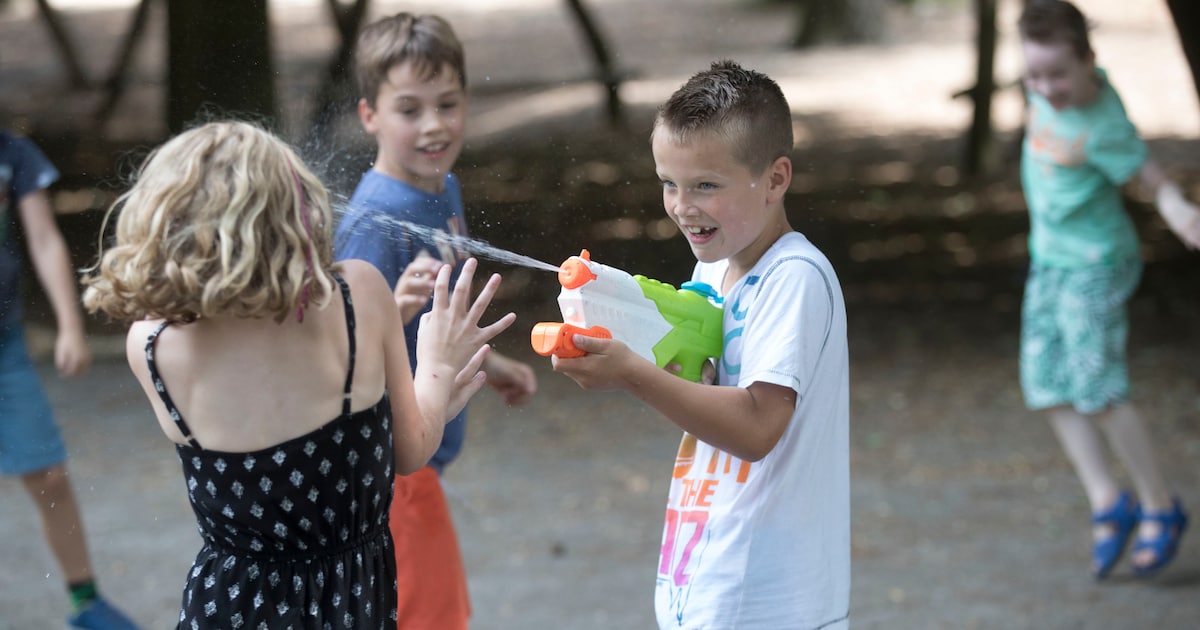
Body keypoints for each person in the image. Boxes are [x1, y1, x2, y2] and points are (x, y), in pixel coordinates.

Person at [80, 121, 515, 628]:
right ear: (296, 213)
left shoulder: (151, 347)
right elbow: (410, 450)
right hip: (348, 603)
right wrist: (438, 366)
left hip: (229, 606)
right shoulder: (357, 298)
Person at [551, 60, 850, 629]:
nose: (682, 206)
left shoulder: (794, 277)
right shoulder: (712, 272)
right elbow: (707, 393)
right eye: (669, 183)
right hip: (709, 576)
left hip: (767, 599)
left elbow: (759, 427)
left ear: (776, 178)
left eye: (705, 186)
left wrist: (633, 374)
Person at [334, 13, 538, 629]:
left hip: (423, 458)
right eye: (409, 109)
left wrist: (489, 364)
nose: (434, 125)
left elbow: (434, 325)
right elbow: (337, 361)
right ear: (369, 114)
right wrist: (388, 306)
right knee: (433, 618)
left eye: (448, 103)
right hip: (389, 469)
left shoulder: (442, 187)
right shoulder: (373, 223)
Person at [1015, 0, 1194, 580]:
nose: (1045, 88)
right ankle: (1107, 501)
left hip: (1095, 264)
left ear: (1090, 61)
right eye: (1034, 76)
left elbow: (1148, 173)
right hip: (1051, 262)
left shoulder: (1103, 123)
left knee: (1097, 388)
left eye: (1058, 74)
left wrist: (1177, 207)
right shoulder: (1047, 90)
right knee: (1045, 383)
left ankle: (1161, 506)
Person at [0, 129, 140, 629]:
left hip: (5, 345)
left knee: (49, 474)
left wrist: (69, 324)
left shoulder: (12, 153)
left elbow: (42, 237)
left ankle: (86, 602)